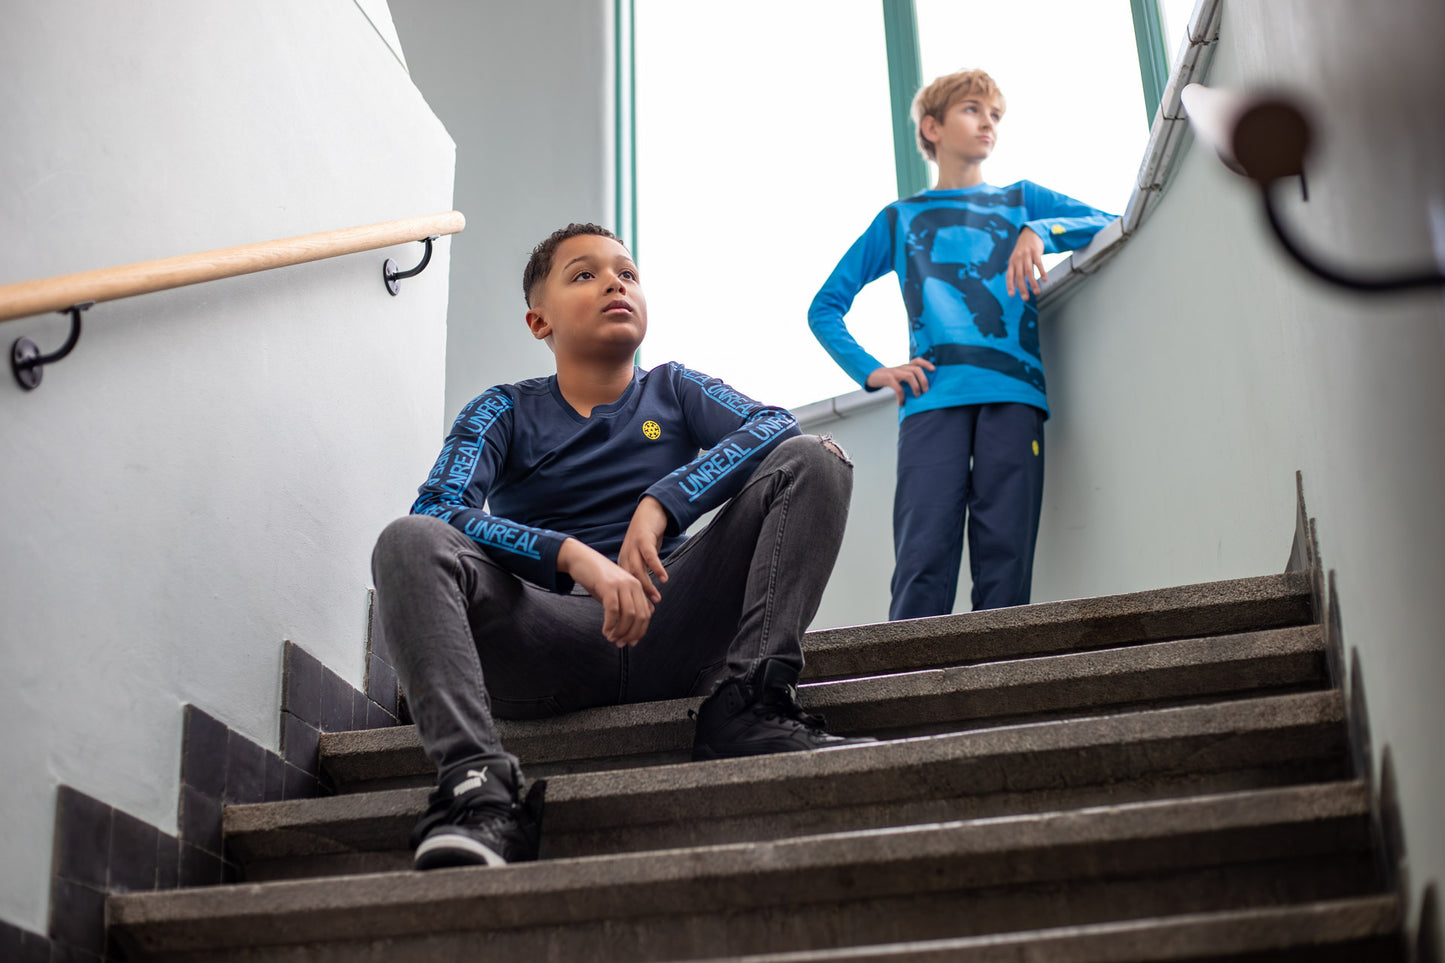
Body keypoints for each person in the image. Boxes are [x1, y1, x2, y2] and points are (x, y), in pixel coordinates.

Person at [371, 222, 870, 871]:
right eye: (584, 274)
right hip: (550, 639)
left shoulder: (674, 387)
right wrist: (573, 557)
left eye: (627, 273)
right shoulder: (501, 410)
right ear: (539, 321)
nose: (615, 283)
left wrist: (661, 503)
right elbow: (438, 508)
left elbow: (772, 425)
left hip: (676, 618)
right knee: (408, 539)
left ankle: (750, 704)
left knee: (814, 456)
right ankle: (479, 791)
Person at [808, 68, 1115, 621]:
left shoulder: (1024, 200)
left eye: (995, 115)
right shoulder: (900, 220)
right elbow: (825, 307)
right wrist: (874, 372)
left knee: (1007, 562)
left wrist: (1039, 231)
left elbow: (1108, 220)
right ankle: (908, 673)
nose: (988, 123)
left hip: (1015, 397)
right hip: (932, 402)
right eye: (973, 110)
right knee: (922, 561)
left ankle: (998, 673)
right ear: (932, 127)